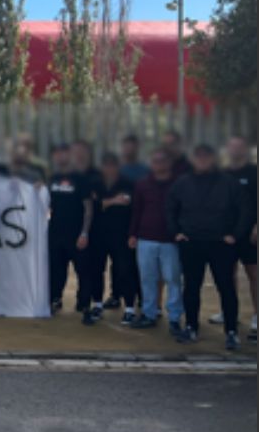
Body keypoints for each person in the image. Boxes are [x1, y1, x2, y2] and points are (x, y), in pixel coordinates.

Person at [166, 144, 247, 349]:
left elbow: (245, 210)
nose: (202, 160)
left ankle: (231, 332)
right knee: (192, 287)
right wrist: (176, 232)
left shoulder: (229, 182)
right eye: (199, 157)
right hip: (191, 243)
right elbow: (169, 208)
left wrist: (235, 235)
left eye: (206, 157)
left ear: (213, 159)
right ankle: (191, 327)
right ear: (193, 159)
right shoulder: (182, 183)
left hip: (221, 244)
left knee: (226, 287)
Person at [128, 149, 183, 333]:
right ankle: (149, 314)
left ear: (169, 163)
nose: (159, 164)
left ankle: (174, 318)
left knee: (173, 279)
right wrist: (132, 234)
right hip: (145, 239)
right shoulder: (142, 184)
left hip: (171, 240)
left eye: (162, 161)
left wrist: (181, 232)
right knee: (147, 278)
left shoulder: (179, 183)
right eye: (155, 161)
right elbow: (137, 210)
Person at [46, 144, 95, 320]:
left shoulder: (80, 179)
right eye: (56, 154)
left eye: (63, 154)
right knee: (55, 270)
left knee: (83, 270)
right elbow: (45, 204)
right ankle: (54, 299)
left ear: (70, 155)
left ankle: (83, 305)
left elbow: (88, 208)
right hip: (55, 233)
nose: (60, 158)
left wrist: (84, 233)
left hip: (76, 234)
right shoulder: (52, 179)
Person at [93, 151, 137, 323]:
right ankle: (96, 305)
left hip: (122, 235)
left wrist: (104, 202)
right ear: (102, 167)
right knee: (96, 270)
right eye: (106, 165)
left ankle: (129, 308)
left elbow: (132, 206)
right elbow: (91, 207)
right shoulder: (95, 183)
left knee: (125, 271)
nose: (109, 168)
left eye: (113, 165)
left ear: (118, 166)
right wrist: (112, 201)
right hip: (98, 235)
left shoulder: (128, 183)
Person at [223, 136, 257, 342]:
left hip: (250, 233)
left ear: (245, 149)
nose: (235, 150)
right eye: (232, 146)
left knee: (254, 274)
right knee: (228, 274)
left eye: (239, 146)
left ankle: (256, 314)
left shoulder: (254, 172)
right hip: (227, 233)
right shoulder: (223, 173)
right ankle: (230, 313)